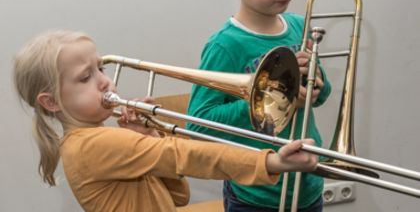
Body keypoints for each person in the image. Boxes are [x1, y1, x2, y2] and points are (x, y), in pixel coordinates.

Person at [13, 30, 319, 212]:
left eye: (100, 69)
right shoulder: (93, 144)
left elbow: (178, 196)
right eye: (85, 77)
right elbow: (183, 154)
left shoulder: (98, 140)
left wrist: (149, 140)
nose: (105, 82)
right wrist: (270, 163)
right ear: (51, 102)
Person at [186, 0, 332, 211]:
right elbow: (198, 124)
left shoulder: (301, 27)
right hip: (255, 194)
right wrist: (264, 100)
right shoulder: (226, 45)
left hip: (308, 185)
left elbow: (322, 94)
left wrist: (316, 87)